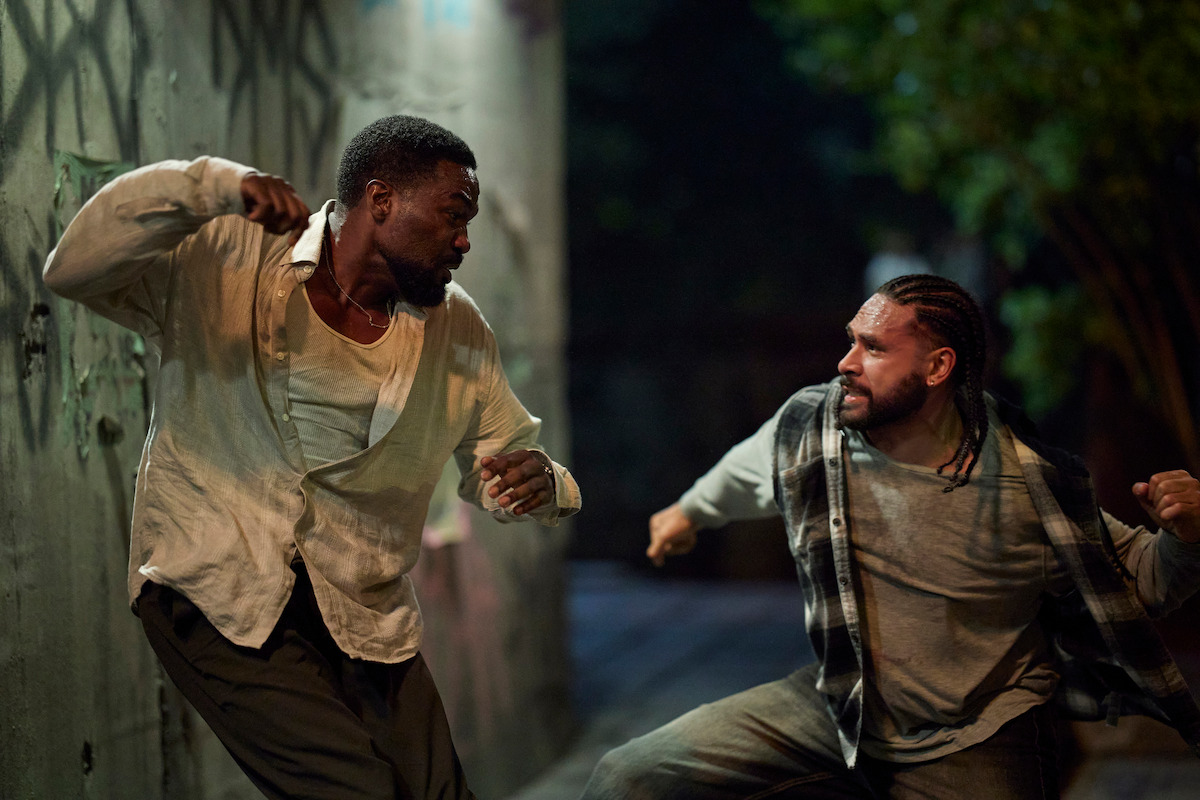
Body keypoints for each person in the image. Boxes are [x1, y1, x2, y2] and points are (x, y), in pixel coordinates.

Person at [43, 115, 581, 800]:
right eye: (453, 214)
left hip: (363, 607)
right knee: (354, 793)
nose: (463, 239)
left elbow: (503, 460)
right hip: (219, 588)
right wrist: (210, 186)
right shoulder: (229, 257)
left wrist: (543, 484)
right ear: (380, 201)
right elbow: (75, 269)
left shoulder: (459, 330)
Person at [581, 274, 1200, 800]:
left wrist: (1189, 535)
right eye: (851, 341)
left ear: (937, 367)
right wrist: (686, 515)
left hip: (978, 732)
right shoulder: (816, 429)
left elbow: (1147, 581)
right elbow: (748, 469)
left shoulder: (1028, 484)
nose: (846, 363)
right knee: (626, 778)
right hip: (843, 704)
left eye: (873, 348)